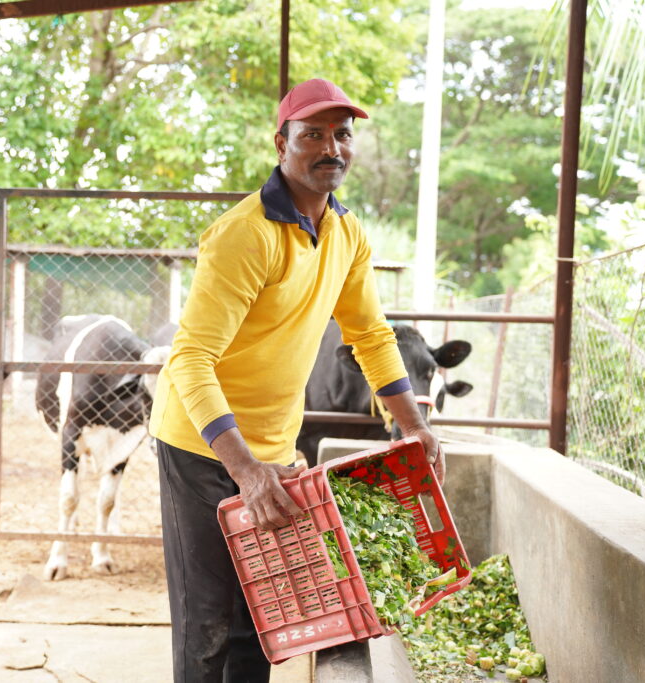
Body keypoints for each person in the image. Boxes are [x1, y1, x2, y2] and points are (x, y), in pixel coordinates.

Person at [148, 78, 444, 683]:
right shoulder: (245, 235)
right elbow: (190, 360)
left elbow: (372, 335)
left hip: (275, 450)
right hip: (203, 446)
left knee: (265, 620)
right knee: (206, 623)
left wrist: (413, 428)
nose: (330, 147)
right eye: (312, 135)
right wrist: (245, 469)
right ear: (280, 143)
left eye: (342, 135)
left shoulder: (347, 233)